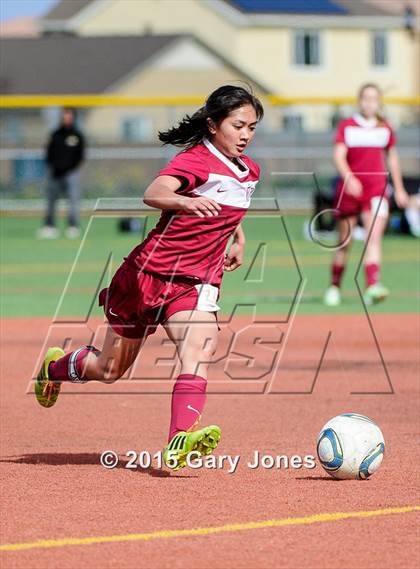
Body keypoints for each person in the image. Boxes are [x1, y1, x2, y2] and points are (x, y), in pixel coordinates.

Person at [35, 85, 264, 471]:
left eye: (252, 127)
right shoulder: (195, 161)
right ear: (212, 125)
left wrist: (238, 237)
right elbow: (153, 192)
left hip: (195, 284)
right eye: (238, 125)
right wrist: (185, 201)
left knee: (198, 351)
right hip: (148, 275)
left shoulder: (250, 170)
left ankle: (179, 439)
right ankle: (55, 368)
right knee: (109, 370)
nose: (245, 135)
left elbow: (229, 210)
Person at [324, 83, 408, 307]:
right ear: (359, 101)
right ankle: (334, 286)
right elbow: (339, 156)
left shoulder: (385, 128)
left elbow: (393, 158)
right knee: (345, 242)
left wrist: (398, 188)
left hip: (376, 189)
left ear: (379, 102)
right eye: (365, 98)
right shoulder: (348, 126)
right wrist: (349, 177)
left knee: (373, 238)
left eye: (374, 99)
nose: (369, 103)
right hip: (350, 190)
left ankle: (372, 286)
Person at [37, 107, 85, 239]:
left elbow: (80, 155)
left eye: (69, 116)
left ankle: (73, 226)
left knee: (73, 200)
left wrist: (71, 167)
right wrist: (54, 166)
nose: (66, 119)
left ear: (73, 117)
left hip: (71, 173)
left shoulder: (77, 135)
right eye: (64, 116)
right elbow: (49, 153)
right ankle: (50, 226)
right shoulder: (55, 134)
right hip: (55, 173)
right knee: (52, 200)